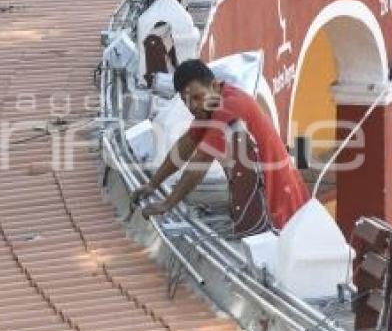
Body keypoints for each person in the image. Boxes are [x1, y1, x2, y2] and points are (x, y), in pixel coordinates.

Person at [131, 59, 310, 228]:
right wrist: (152, 185)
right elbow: (184, 147)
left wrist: (167, 204)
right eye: (186, 101)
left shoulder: (228, 108)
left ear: (214, 86)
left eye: (197, 97)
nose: (193, 106)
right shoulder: (212, 104)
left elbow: (199, 163)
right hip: (270, 200)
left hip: (282, 204)